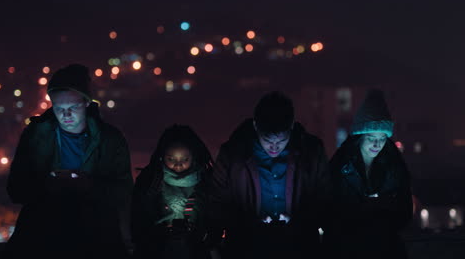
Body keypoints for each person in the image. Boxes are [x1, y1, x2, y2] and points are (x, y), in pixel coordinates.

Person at [4, 64, 133, 259]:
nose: (66, 115)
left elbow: (124, 192)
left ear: (87, 103)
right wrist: (47, 186)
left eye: (73, 107)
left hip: (95, 236)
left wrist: (89, 186)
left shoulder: (110, 140)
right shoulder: (36, 136)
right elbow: (16, 188)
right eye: (59, 108)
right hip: (43, 235)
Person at [206, 91, 334, 259]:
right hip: (247, 247)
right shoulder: (233, 154)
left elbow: (324, 198)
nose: (274, 148)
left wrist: (299, 221)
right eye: (267, 140)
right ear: (256, 127)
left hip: (299, 246)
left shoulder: (311, 153)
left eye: (281, 141)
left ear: (292, 127)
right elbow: (218, 202)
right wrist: (247, 223)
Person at [328, 89, 412, 259]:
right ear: (360, 137)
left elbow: (404, 208)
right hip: (348, 246)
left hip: (385, 247)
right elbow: (328, 207)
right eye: (371, 138)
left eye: (382, 139)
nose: (377, 144)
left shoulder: (394, 167)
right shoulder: (341, 165)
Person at [132, 125, 212, 259]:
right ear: (162, 157)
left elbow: (212, 212)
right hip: (157, 248)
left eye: (184, 159)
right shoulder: (151, 179)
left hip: (196, 248)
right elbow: (139, 212)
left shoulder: (205, 180)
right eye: (171, 159)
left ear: (193, 157)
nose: (178, 165)